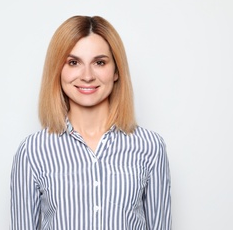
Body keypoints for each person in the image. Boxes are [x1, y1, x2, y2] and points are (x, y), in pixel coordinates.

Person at [10, 15, 171, 230]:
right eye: (73, 62)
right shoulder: (32, 152)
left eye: (99, 62)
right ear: (58, 70)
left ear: (116, 71)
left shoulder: (151, 147)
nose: (87, 76)